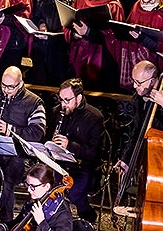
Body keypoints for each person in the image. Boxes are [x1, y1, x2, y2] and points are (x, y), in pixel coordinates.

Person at [116, 61, 163, 231]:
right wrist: (126, 159)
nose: (135, 87)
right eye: (133, 81)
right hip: (152, 170)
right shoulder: (138, 98)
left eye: (139, 82)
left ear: (153, 80)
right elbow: (136, 132)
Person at [0, 66, 46, 222]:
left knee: (7, 179)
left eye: (10, 87)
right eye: (3, 85)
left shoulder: (34, 102)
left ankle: (6, 219)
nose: (6, 90)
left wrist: (11, 129)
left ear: (20, 84)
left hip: (20, 154)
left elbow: (37, 133)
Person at [49, 79, 103, 223]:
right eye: (61, 100)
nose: (63, 104)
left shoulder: (94, 117)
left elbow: (94, 153)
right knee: (43, 185)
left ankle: (87, 217)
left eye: (67, 100)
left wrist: (70, 146)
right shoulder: (57, 112)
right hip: (60, 164)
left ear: (78, 98)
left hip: (82, 167)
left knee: (72, 193)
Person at [66, 0, 124, 90]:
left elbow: (115, 37)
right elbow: (67, 23)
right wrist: (74, 34)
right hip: (80, 52)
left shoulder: (113, 5)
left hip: (102, 56)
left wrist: (88, 32)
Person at [28, 0, 77, 86]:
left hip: (60, 49)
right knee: (41, 79)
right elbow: (37, 16)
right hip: (42, 47)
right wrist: (41, 24)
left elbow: (70, 26)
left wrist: (53, 36)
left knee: (57, 82)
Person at [9, 163, 74, 231]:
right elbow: (19, 222)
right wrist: (1, 227)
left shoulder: (62, 212)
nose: (28, 189)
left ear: (46, 186)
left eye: (33, 186)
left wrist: (41, 221)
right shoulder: (33, 199)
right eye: (27, 185)